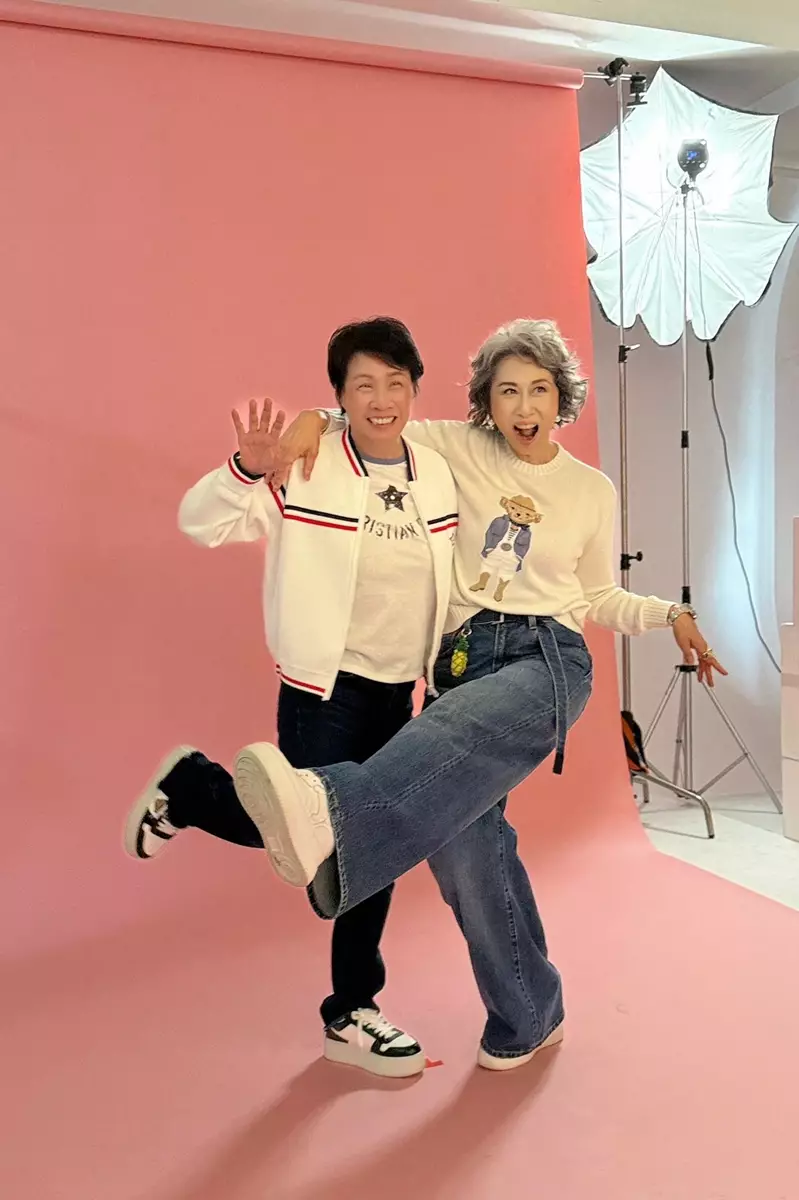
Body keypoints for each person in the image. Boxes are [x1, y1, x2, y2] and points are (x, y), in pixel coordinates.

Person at [230, 318, 726, 1071]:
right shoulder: (454, 449)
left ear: (560, 398)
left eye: (539, 389)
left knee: (445, 748)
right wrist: (314, 420)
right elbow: (374, 418)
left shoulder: (589, 490)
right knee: (464, 849)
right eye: (507, 391)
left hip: (546, 658)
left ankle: (328, 809)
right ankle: (530, 1012)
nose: (524, 406)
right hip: (461, 661)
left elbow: (596, 595)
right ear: (486, 404)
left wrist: (669, 614)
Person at [123, 317, 458, 1078]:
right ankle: (192, 788)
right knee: (305, 833)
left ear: (415, 389)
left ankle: (352, 1012)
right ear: (339, 395)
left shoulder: (436, 472)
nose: (382, 400)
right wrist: (247, 468)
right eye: (362, 385)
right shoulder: (303, 464)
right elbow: (200, 523)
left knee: (370, 845)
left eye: (396, 383)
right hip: (323, 689)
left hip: (399, 693)